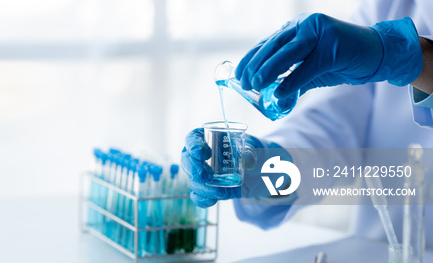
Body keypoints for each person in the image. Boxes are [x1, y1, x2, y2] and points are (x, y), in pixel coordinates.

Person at [181, 0, 433, 247]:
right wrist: (266, 166)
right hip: (381, 249)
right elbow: (332, 126)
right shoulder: (390, 4)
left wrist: (419, 59)